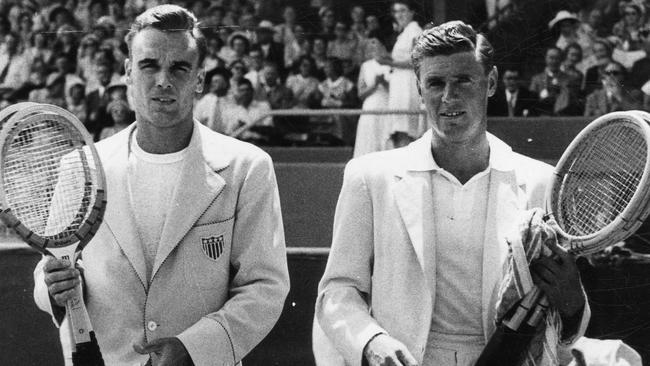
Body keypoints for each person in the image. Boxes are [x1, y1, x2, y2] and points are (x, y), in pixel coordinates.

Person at [313, 20, 589, 366]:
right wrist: (372, 342)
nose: (448, 97)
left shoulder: (541, 182)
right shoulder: (369, 177)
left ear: (490, 83)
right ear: (419, 89)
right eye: (435, 83)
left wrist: (573, 300)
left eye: (462, 80)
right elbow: (337, 293)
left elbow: (567, 324)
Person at [33, 5, 289, 366]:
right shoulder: (81, 167)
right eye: (149, 65)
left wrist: (195, 348)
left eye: (179, 68)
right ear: (127, 72)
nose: (163, 80)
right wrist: (55, 289)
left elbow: (265, 288)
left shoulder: (248, 167)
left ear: (199, 79)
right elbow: (47, 279)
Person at [377, 0, 424, 147]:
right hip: (398, 83)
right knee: (396, 128)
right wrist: (386, 58)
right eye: (396, 11)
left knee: (405, 128)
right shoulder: (403, 33)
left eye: (403, 10)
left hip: (408, 84)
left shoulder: (415, 31)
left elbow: (417, 61)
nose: (399, 15)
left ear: (411, 12)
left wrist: (389, 63)